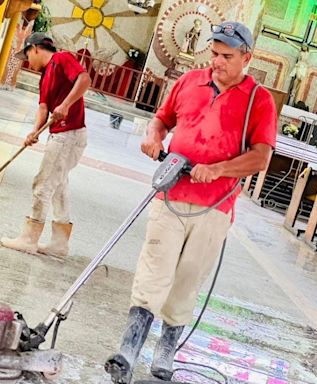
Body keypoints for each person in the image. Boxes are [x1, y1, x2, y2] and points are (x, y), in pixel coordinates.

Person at [104, 21, 277, 383]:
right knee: (154, 271)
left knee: (187, 279)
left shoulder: (258, 100)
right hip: (170, 194)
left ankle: (167, 347)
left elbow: (261, 157)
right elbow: (161, 120)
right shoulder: (189, 82)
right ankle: (128, 349)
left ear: (247, 57)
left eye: (227, 56)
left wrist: (219, 170)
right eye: (214, 54)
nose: (217, 61)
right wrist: (153, 137)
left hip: (215, 208)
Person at [0, 33, 91, 258]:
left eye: (27, 55)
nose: (27, 61)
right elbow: (43, 108)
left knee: (43, 184)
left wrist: (66, 104)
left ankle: (29, 239)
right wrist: (34, 131)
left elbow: (84, 79)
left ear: (37, 48)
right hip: (61, 136)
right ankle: (60, 244)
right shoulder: (45, 76)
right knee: (59, 186)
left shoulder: (60, 59)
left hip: (69, 135)